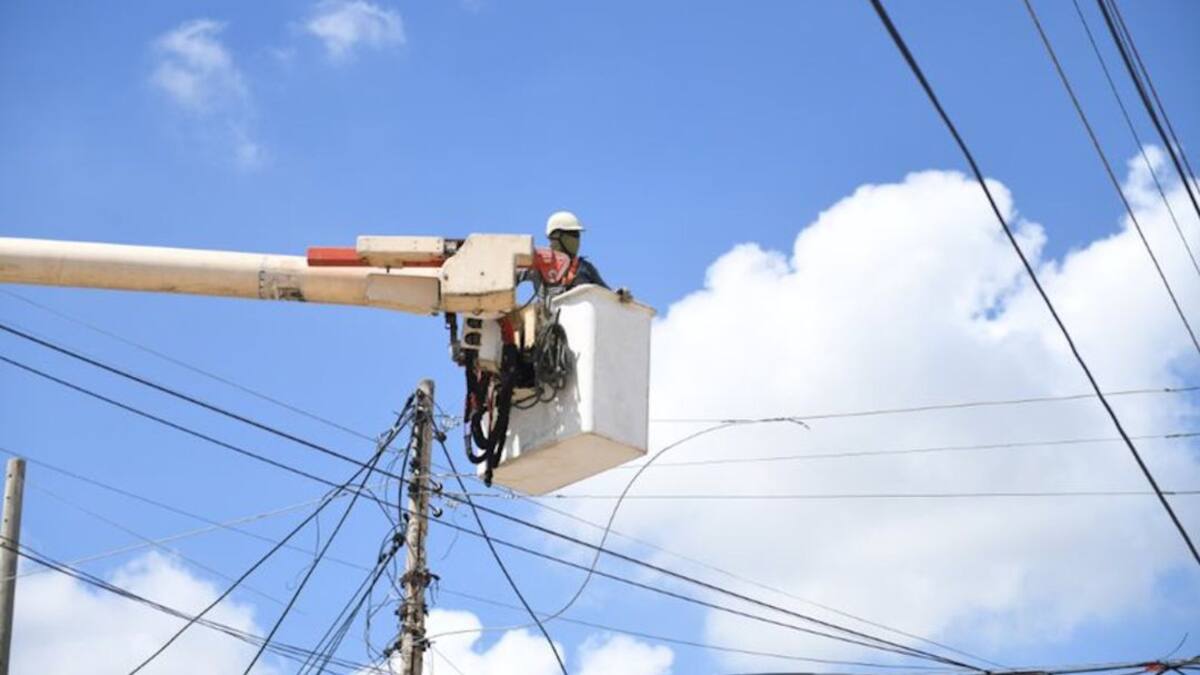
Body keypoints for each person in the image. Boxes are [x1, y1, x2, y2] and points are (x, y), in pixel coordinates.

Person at [526, 211, 609, 294]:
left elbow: (607, 294)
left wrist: (619, 295)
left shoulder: (586, 268)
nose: (576, 239)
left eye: (577, 235)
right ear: (556, 236)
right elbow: (514, 274)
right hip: (547, 306)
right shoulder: (540, 263)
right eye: (572, 234)